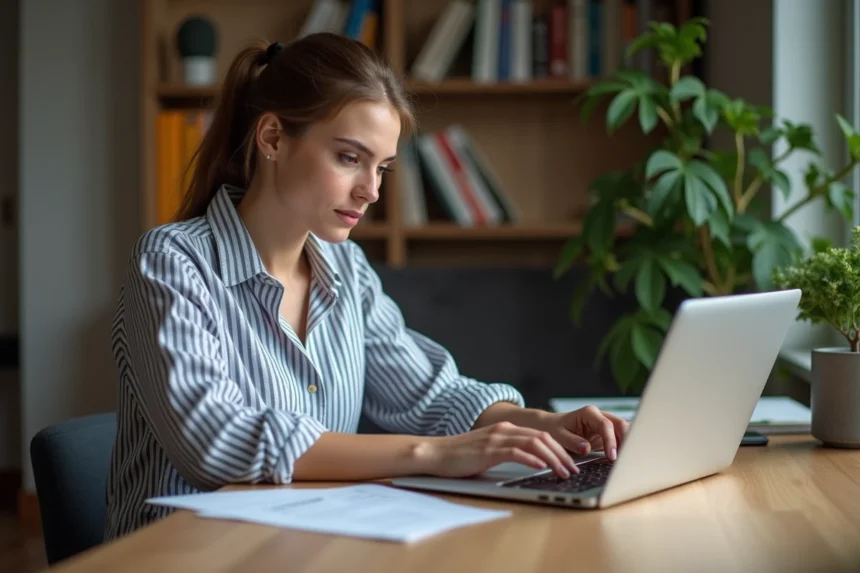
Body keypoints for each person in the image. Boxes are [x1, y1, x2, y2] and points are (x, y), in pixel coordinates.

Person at [104, 33, 629, 540]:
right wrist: (431, 454)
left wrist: (536, 424)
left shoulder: (346, 269)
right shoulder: (173, 262)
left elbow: (431, 395)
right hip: (187, 554)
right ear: (272, 138)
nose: (371, 190)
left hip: (305, 546)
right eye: (349, 158)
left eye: (382, 167)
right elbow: (214, 441)